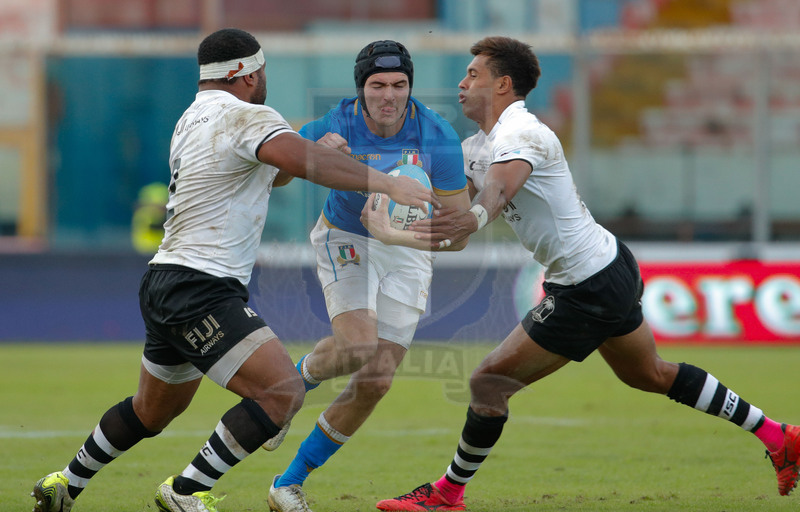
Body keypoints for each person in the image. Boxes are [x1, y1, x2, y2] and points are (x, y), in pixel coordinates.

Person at [374, 36, 800, 511]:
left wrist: (469, 216)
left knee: (488, 382)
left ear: (503, 84)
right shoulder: (476, 147)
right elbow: (456, 233)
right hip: (606, 266)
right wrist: (393, 228)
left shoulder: (523, 134)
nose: (462, 81)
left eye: (474, 74)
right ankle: (778, 434)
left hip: (587, 284)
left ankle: (447, 495)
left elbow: (494, 194)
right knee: (651, 374)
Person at [29, 28, 437, 512]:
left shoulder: (192, 118)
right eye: (262, 72)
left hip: (164, 279)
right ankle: (184, 492)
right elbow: (299, 162)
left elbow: (277, 169)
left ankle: (64, 484)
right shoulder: (247, 114)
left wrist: (321, 149)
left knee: (153, 410)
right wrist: (387, 183)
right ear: (245, 74)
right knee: (282, 391)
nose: (265, 81)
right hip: (200, 286)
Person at [267, 40, 471, 512]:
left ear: (409, 88)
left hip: (408, 251)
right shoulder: (335, 123)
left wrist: (399, 237)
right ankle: (292, 388)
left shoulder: (437, 137)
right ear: (361, 89)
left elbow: (458, 234)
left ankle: (288, 482)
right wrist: (310, 152)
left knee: (377, 379)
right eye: (377, 85)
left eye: (399, 85)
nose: (389, 95)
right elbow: (275, 174)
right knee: (357, 346)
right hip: (345, 237)